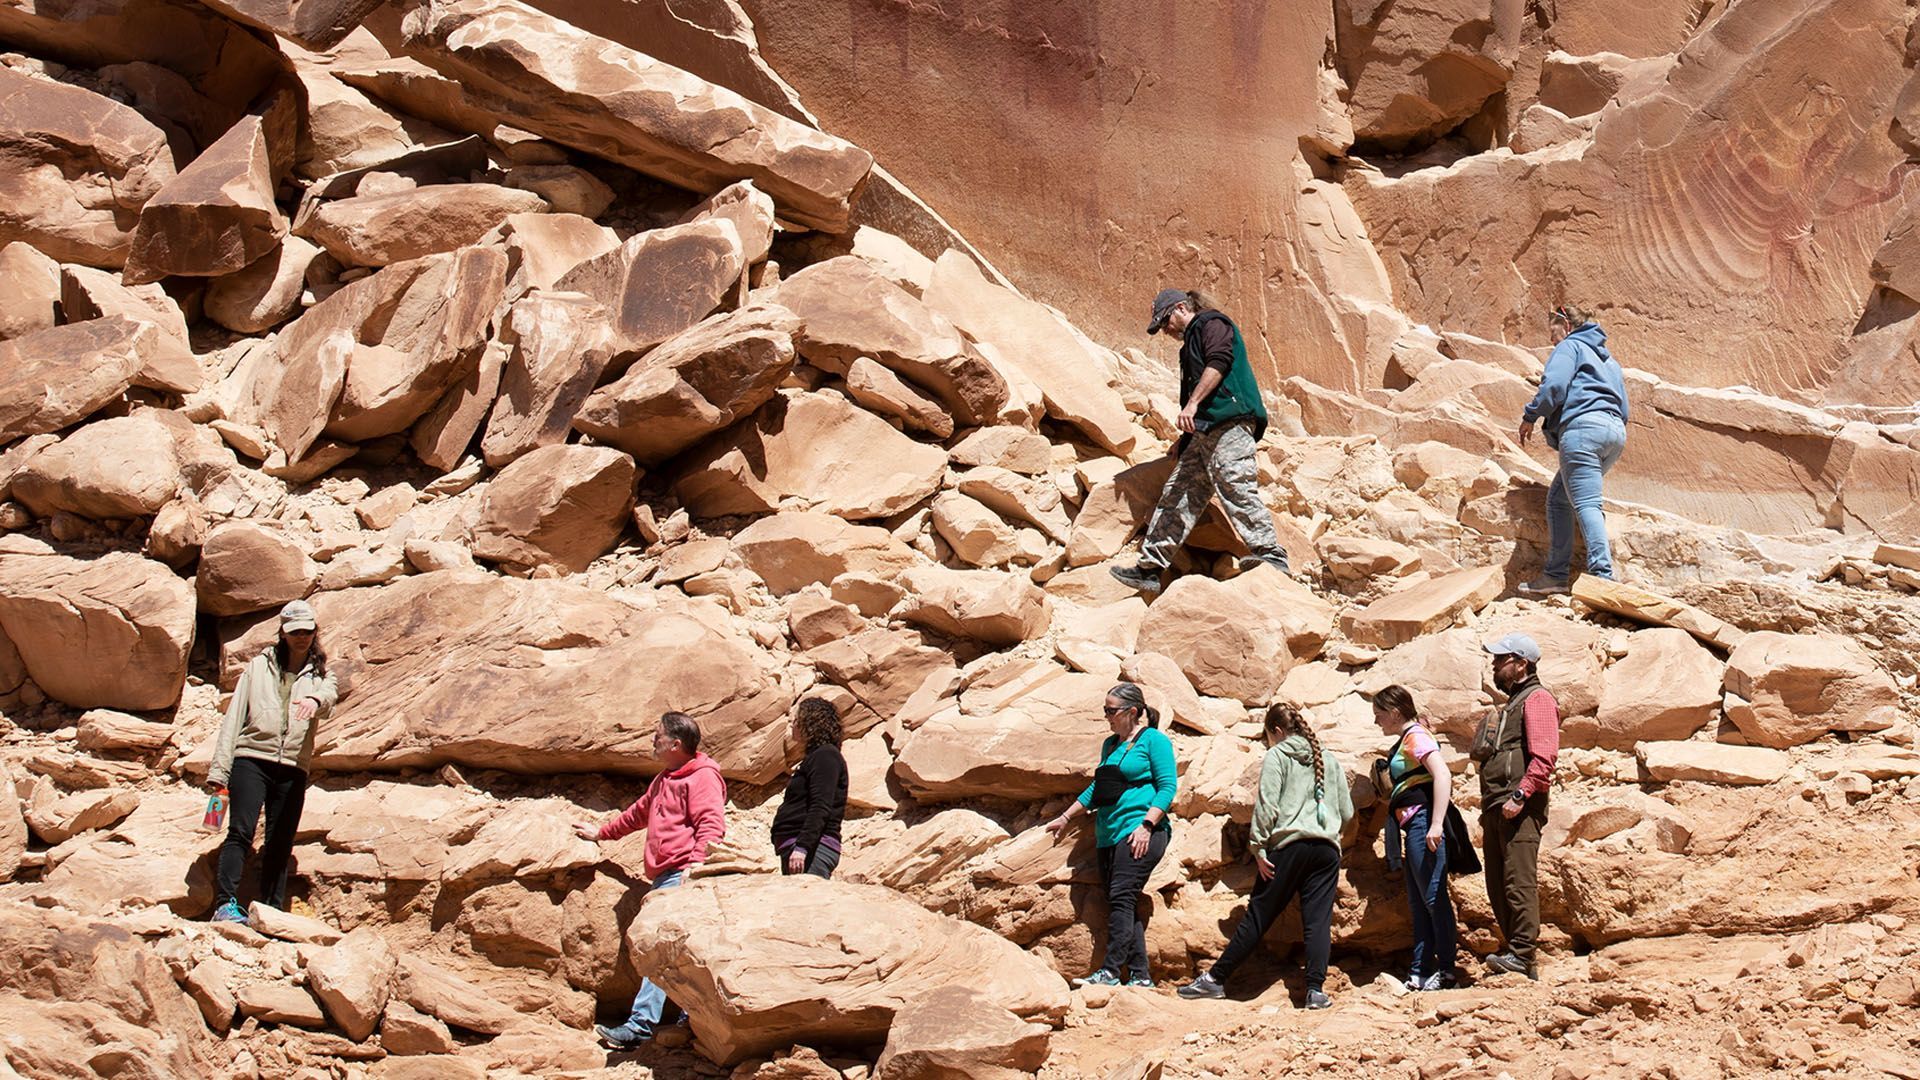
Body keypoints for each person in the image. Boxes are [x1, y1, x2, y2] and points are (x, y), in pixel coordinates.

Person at [1110, 288, 1288, 596]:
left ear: (1181, 308)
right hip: (1204, 432)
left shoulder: (1212, 324)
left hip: (1231, 422)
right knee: (1178, 493)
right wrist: (1186, 438)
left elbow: (1218, 363)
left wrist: (1191, 405)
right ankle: (1150, 567)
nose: (1165, 331)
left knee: (1235, 482)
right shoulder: (1187, 346)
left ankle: (1270, 554)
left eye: (1165, 322)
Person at [1178, 704, 1354, 1007]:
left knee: (1258, 918)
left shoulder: (1278, 755)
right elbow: (1347, 811)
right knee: (1317, 922)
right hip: (1326, 849)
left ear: (1276, 732)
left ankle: (1216, 980)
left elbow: (1268, 805)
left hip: (1289, 847)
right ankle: (1315, 991)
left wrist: (1258, 847)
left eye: (1267, 738)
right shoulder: (1328, 758)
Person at [574, 712, 727, 1048]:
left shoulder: (701, 777)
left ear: (675, 743)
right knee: (675, 951)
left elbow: (711, 823)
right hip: (664, 875)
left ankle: (641, 1025)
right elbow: (638, 813)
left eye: (657, 736)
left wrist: (697, 865)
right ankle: (687, 1022)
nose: (652, 741)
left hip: (682, 874)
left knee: (659, 948)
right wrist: (601, 833)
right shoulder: (665, 779)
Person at [208, 599, 338, 925]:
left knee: (280, 840)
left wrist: (314, 697)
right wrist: (219, 770)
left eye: (307, 631)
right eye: (295, 631)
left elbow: (330, 698)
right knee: (240, 831)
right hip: (251, 758)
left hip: (293, 766)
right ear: (282, 632)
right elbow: (234, 717)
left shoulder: (322, 672)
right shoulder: (258, 666)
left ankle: (270, 911)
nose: (301, 637)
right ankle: (225, 906)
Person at [1043, 682, 1177, 988]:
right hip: (1108, 833)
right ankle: (1141, 976)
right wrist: (1065, 817)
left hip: (1139, 830)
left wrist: (1147, 825)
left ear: (1132, 711)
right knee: (1122, 901)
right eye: (1105, 710)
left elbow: (1167, 786)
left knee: (1121, 897)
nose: (1107, 716)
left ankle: (1111, 971)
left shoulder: (1153, 740)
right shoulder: (1110, 745)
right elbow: (1098, 789)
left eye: (1111, 710)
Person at [1518, 303, 1630, 594]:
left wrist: (1530, 416)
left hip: (1583, 431)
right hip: (1614, 432)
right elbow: (1625, 407)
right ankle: (1555, 575)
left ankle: (1602, 577)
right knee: (1559, 499)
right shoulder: (1610, 361)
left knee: (1587, 503)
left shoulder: (1570, 347)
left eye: (1553, 331)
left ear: (1566, 325)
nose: (1552, 338)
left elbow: (1554, 386)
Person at [1471, 633, 1561, 981]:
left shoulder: (1536, 699)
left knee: (1517, 880)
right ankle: (1514, 953)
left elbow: (1544, 756)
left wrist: (1520, 796)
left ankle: (1523, 955)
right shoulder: (1514, 701)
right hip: (1497, 804)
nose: (1494, 665)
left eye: (1501, 659)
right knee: (1497, 882)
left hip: (1518, 805)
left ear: (1521, 663)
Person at [1368, 684, 1457, 991]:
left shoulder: (1416, 737)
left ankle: (1446, 972)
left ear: (1394, 713)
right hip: (1411, 826)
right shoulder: (1407, 738)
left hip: (1422, 824)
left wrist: (1435, 824)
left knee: (1433, 897)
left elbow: (1442, 774)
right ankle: (1420, 971)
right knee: (1419, 903)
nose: (1377, 721)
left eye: (1379, 715)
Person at [770, 696, 848, 879]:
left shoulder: (826, 756)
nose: (793, 726)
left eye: (797, 721)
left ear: (810, 723)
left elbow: (821, 805)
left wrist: (803, 847)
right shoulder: (817, 757)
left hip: (813, 850)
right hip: (800, 847)